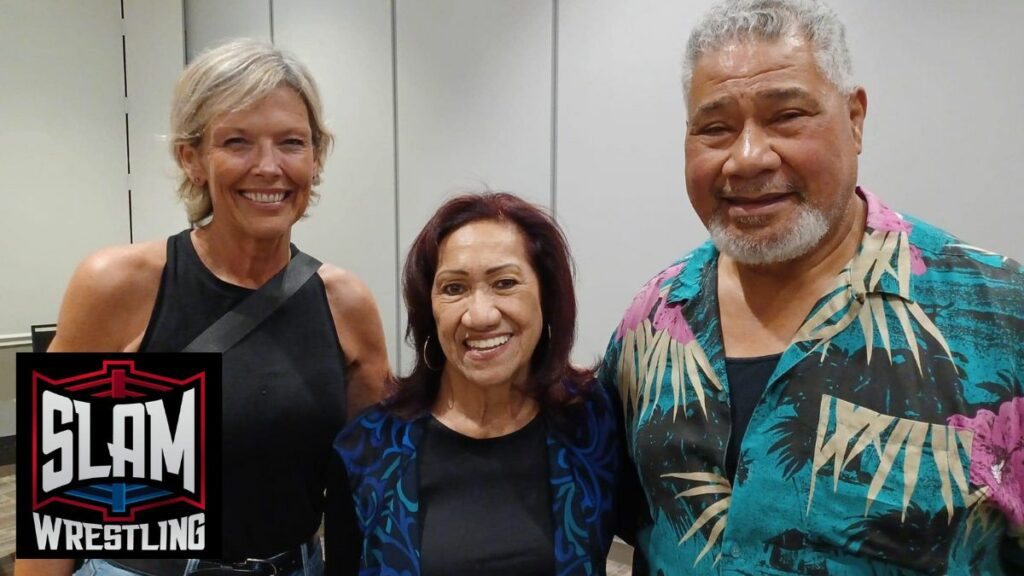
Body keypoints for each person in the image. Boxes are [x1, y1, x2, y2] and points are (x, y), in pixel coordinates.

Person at [601, 0, 1024, 573]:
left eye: (787, 116)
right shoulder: (650, 325)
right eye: (715, 128)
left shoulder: (1000, 318)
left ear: (854, 118)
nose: (747, 158)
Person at [16, 39, 389, 576]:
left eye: (291, 142)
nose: (268, 167)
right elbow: (56, 506)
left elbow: (366, 487)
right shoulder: (122, 284)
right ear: (191, 158)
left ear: (315, 157)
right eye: (237, 142)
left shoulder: (344, 302)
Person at [325, 193, 626, 575]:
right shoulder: (365, 450)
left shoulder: (591, 420)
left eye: (504, 283)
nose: (480, 315)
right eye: (454, 288)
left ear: (546, 298)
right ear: (428, 310)